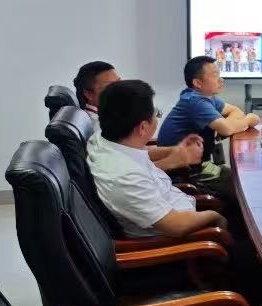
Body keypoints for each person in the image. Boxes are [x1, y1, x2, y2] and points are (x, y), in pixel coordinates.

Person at [88, 80, 224, 240]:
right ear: (142, 128)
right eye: (155, 113)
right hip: (176, 240)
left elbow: (141, 153)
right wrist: (214, 216)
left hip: (179, 205)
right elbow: (177, 226)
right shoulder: (126, 178)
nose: (156, 116)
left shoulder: (104, 138)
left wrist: (176, 151)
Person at [157, 56, 261, 195]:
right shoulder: (195, 101)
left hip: (200, 166)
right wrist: (248, 119)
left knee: (243, 178)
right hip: (184, 173)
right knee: (245, 187)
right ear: (198, 83)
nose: (221, 79)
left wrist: (228, 124)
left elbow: (235, 111)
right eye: (215, 75)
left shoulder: (207, 98)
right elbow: (227, 129)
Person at [74, 60, 202, 172]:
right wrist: (174, 161)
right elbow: (125, 173)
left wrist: (176, 151)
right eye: (110, 87)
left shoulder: (108, 118)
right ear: (88, 94)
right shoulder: (98, 129)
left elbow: (137, 153)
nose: (119, 91)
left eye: (119, 83)